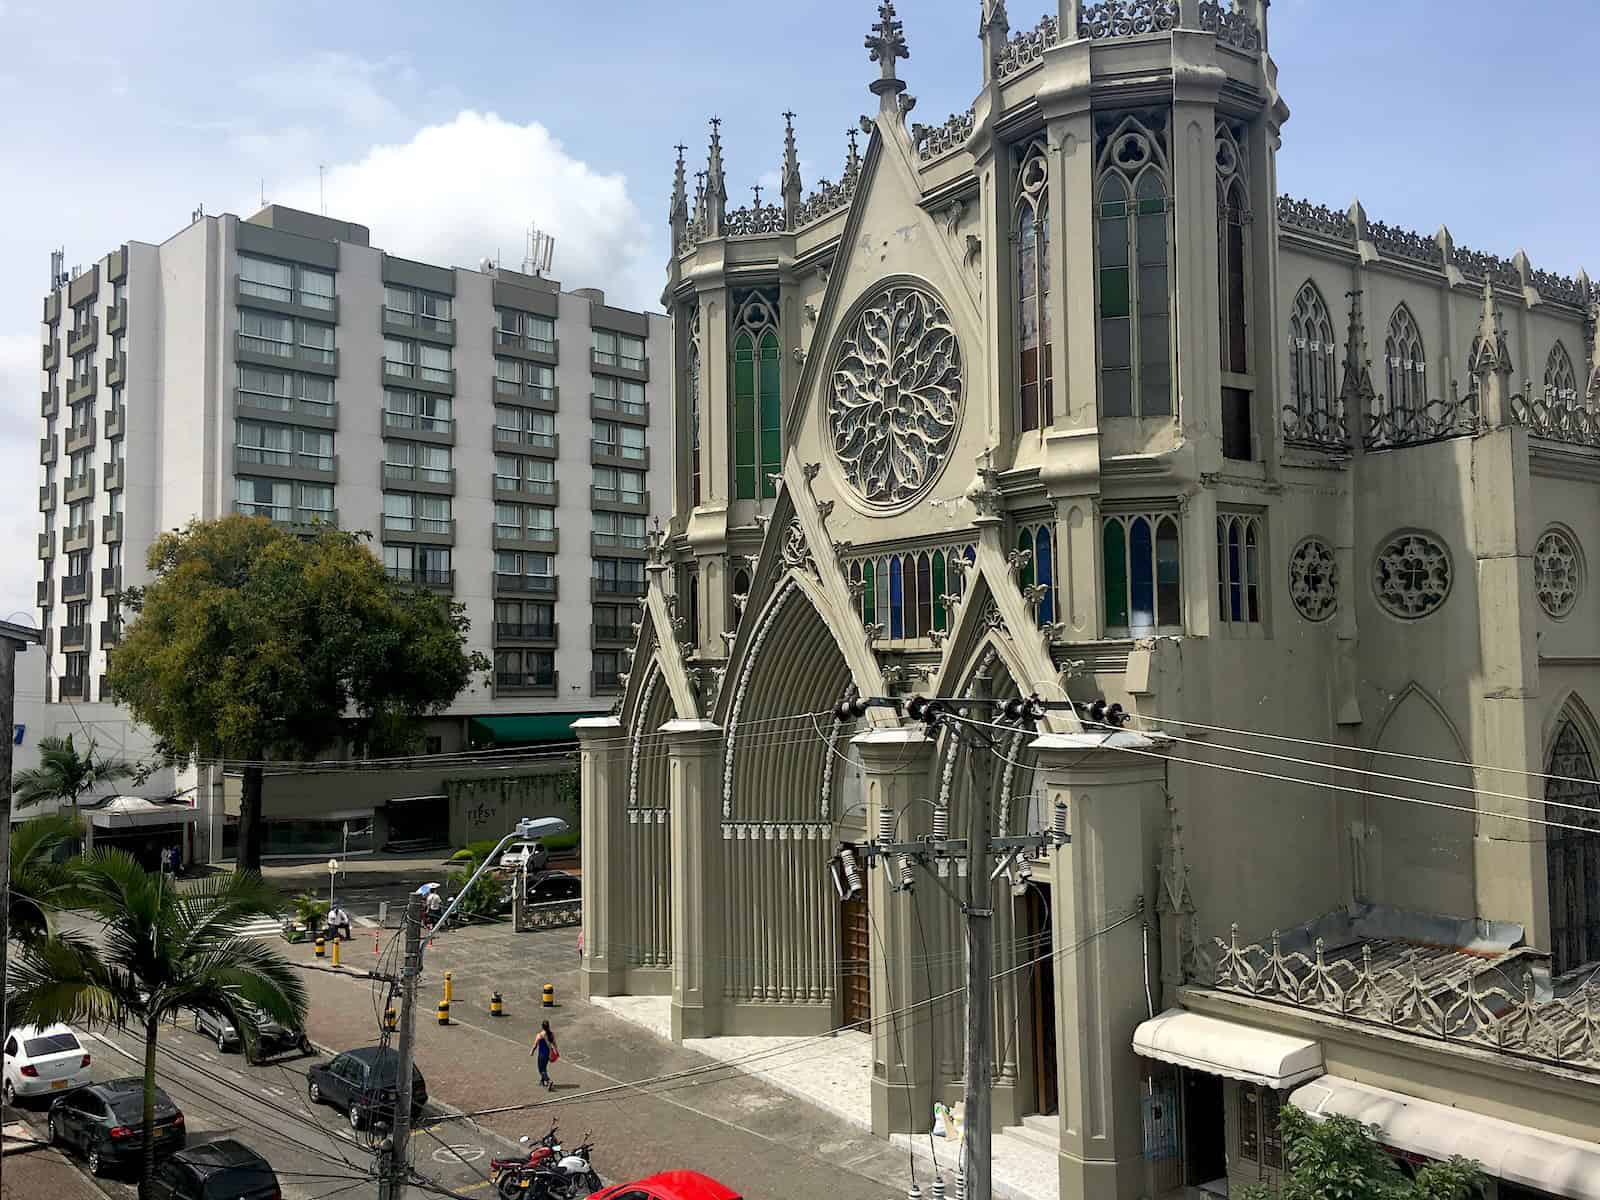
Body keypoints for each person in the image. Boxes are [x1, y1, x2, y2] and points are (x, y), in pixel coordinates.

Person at [531, 1020, 557, 1090]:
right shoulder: (551, 1034)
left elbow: (535, 1045)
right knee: (544, 1068)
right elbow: (554, 1044)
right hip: (548, 1054)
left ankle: (548, 1081)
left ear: (542, 1026)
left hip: (542, 1054)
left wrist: (532, 1052)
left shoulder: (540, 1035)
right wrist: (555, 1052)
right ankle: (542, 1081)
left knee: (540, 1070)